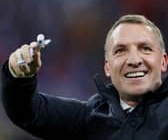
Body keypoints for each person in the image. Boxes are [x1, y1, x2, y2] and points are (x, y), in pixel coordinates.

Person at [1, 14, 168, 140]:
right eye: (120, 50)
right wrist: (19, 78)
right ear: (107, 67)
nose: (134, 60)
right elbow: (29, 112)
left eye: (145, 48)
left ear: (163, 62)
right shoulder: (90, 118)